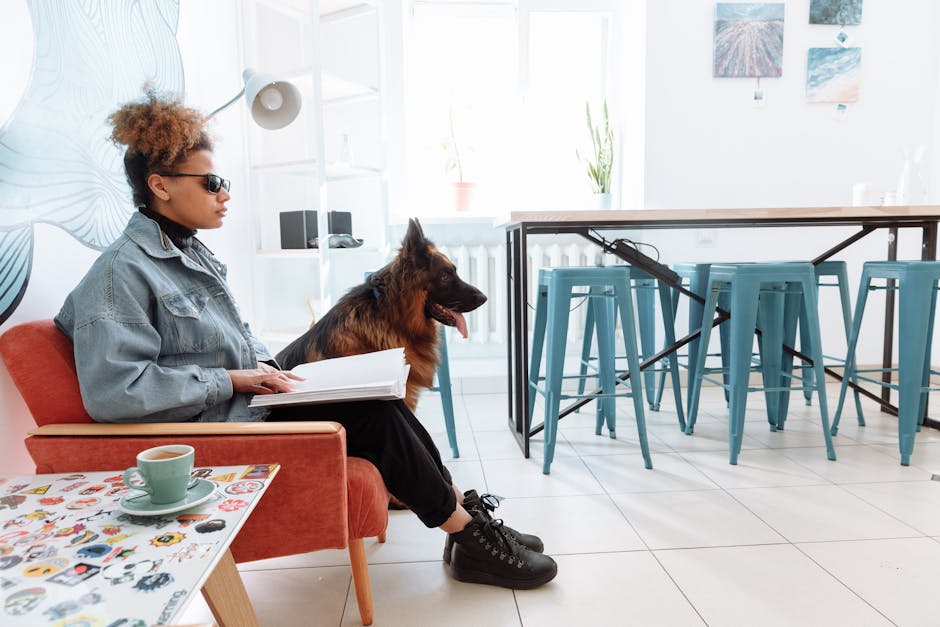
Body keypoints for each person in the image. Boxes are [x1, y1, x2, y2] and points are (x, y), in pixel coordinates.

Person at [54, 89, 557, 590]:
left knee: (380, 397)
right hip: (217, 432)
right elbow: (115, 393)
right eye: (211, 183)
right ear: (160, 185)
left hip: (250, 406)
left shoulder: (189, 255)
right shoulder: (119, 275)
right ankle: (471, 540)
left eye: (222, 182)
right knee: (376, 416)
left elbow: (233, 342)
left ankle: (465, 516)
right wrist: (232, 379)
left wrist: (278, 374)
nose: (224, 194)